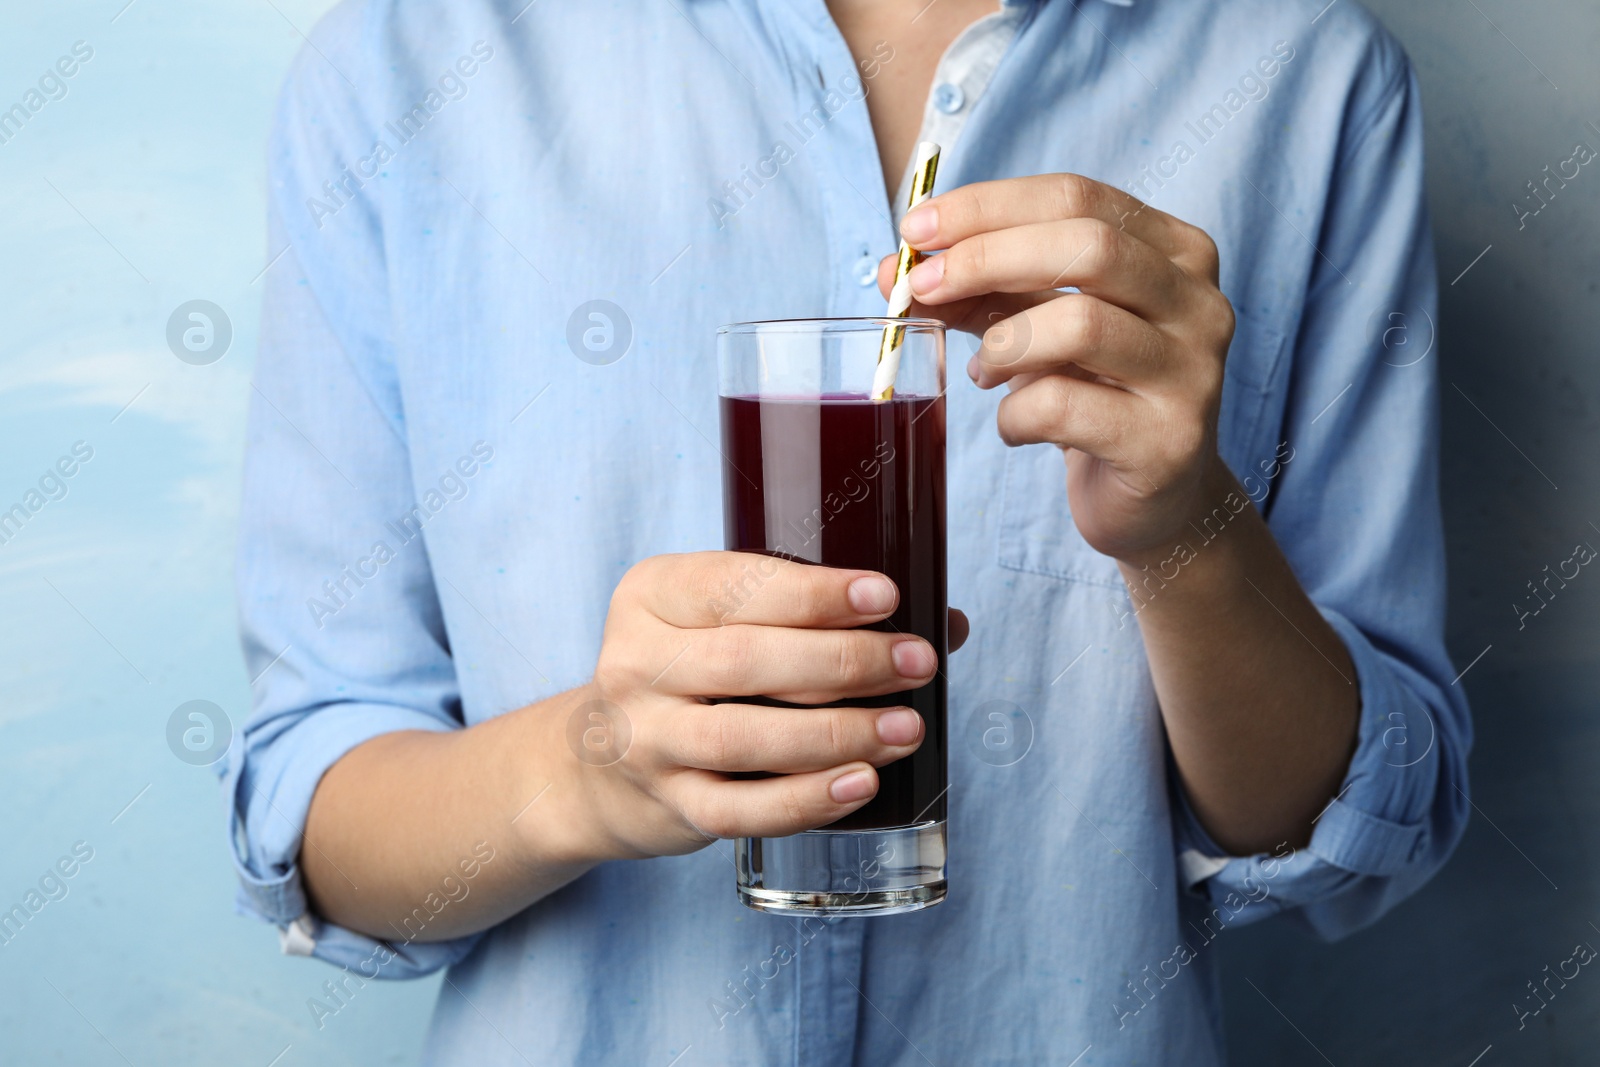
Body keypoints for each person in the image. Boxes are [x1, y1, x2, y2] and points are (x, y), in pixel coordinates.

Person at [228, 0, 1470, 1062]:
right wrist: (593, 764)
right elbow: (317, 805)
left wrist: (1185, 533)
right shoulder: (409, 62)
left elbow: (1360, 827)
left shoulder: (1304, 73)